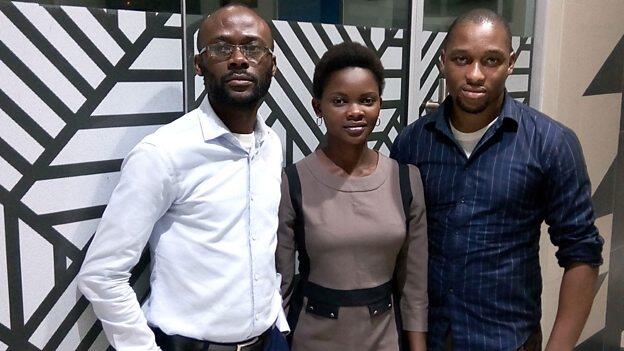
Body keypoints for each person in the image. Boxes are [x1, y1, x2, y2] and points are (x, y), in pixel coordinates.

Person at [77, 4, 289, 351]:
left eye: (252, 47)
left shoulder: (272, 146)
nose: (238, 58)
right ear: (199, 63)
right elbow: (102, 274)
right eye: (221, 48)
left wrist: (276, 321)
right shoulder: (164, 153)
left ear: (272, 64)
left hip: (270, 341)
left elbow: (260, 248)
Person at [391, 8, 604, 351]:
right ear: (443, 61)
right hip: (425, 338)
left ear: (511, 63)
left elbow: (582, 253)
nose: (475, 74)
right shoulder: (412, 143)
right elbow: (397, 247)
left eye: (491, 60)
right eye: (462, 59)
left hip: (507, 341)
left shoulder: (550, 143)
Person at [276, 42, 428, 351]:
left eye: (367, 100)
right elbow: (281, 286)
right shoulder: (293, 181)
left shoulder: (405, 179)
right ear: (318, 107)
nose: (355, 111)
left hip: (384, 338)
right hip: (313, 339)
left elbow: (414, 287)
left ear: (379, 105)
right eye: (340, 101)